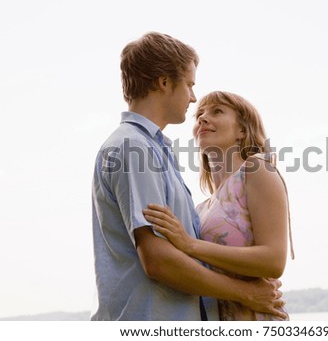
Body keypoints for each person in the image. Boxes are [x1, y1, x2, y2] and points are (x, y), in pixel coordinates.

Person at [91, 32, 286, 321]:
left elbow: (270, 258)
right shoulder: (135, 148)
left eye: (216, 111)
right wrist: (245, 293)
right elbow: (159, 261)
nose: (193, 98)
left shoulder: (155, 150)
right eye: (190, 85)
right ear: (165, 82)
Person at [144, 91, 294, 320]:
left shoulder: (256, 171)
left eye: (217, 111)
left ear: (242, 130)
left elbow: (273, 261)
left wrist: (190, 245)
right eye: (199, 115)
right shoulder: (201, 208)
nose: (203, 118)